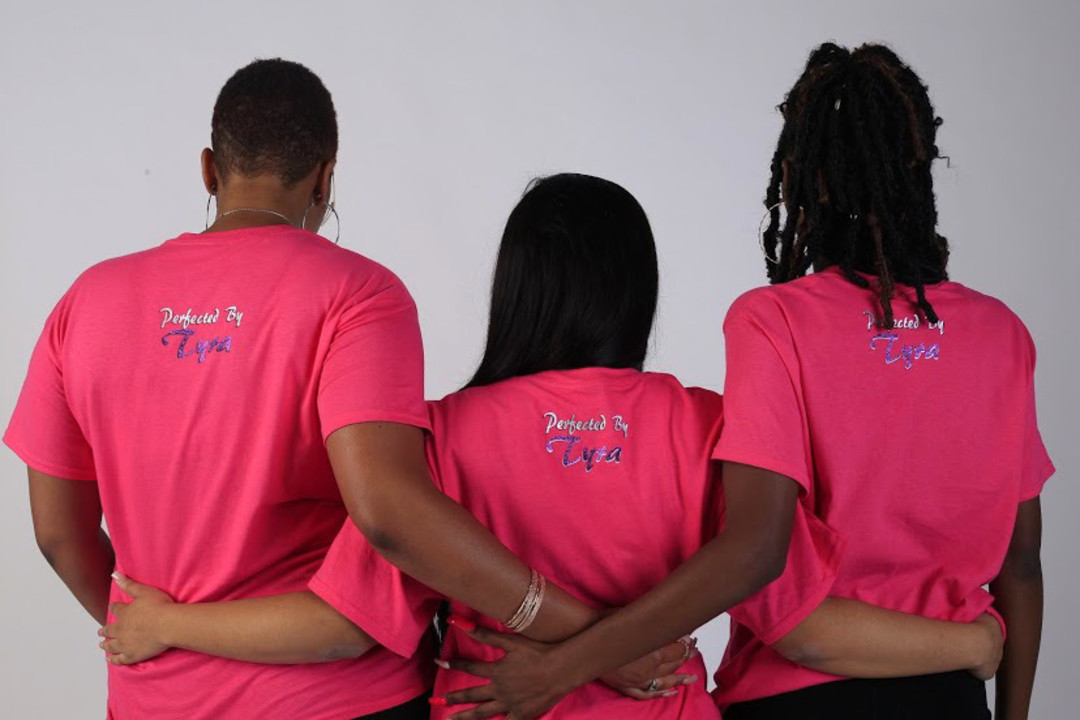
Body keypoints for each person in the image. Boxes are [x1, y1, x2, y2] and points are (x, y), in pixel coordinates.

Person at [197, 172, 996, 720]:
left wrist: (169, 622)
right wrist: (975, 641)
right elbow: (804, 625)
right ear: (636, 290)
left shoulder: (438, 438)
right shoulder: (709, 429)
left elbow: (345, 624)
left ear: (518, 290)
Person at [6, 58, 435, 719]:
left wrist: (148, 628)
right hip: (337, 699)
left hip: (158, 699)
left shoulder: (88, 301)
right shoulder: (360, 296)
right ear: (325, 177)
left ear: (209, 170)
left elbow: (58, 534)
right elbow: (387, 515)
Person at [712, 43, 1052, 720]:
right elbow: (1021, 566)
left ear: (812, 179)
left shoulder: (773, 321)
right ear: (918, 166)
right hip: (952, 695)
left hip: (794, 700)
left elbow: (758, 559)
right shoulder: (1001, 334)